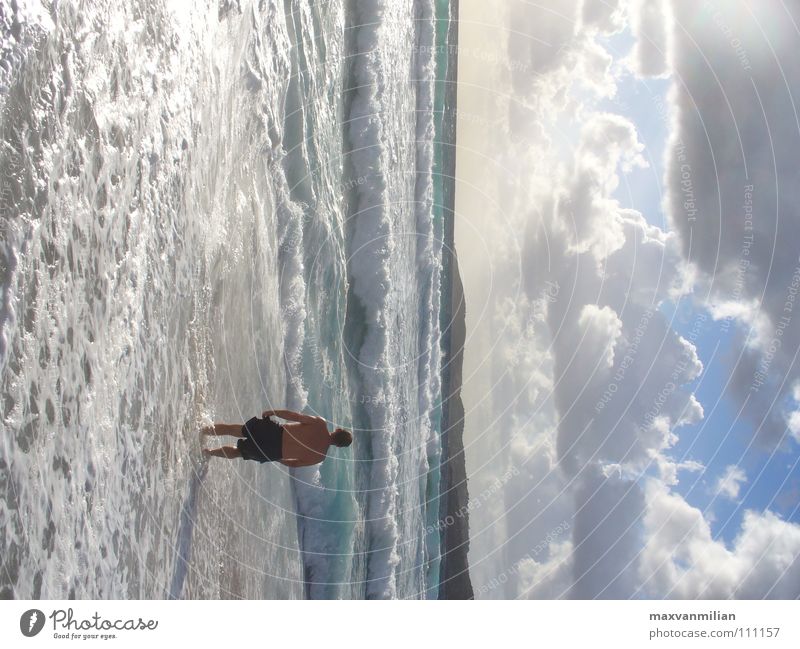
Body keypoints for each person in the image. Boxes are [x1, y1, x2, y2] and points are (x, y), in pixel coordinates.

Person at [201, 409, 352, 467]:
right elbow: (295, 464)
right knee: (238, 452)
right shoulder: (319, 457)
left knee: (236, 430)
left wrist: (275, 412)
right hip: (273, 451)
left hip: (274, 432)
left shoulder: (320, 424)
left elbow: (296, 416)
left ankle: (204, 430)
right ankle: (208, 452)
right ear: (338, 446)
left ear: (338, 430)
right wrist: (278, 458)